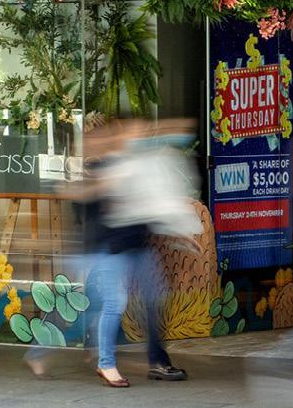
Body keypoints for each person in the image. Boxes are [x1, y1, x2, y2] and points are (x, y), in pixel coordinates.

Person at [85, 118, 198, 388]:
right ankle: (105, 363)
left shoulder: (136, 163)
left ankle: (157, 361)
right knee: (114, 304)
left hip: (137, 245)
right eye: (134, 133)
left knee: (153, 297)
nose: (141, 137)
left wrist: (178, 232)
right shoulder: (109, 166)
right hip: (113, 247)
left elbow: (152, 203)